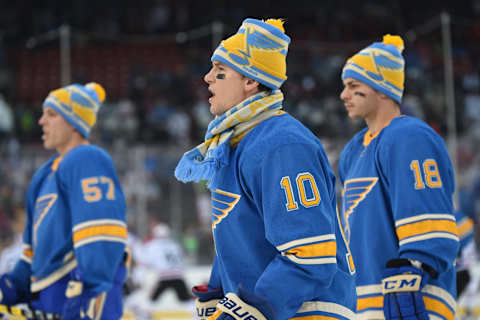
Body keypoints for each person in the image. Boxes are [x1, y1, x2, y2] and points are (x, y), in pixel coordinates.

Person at [175, 18, 356, 319]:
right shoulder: (232, 146)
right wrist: (219, 291)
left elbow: (310, 255)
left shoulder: (283, 145)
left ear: (250, 81)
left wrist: (253, 307)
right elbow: (237, 239)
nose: (207, 78)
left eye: (220, 72)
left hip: (308, 311)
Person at [338, 35, 459, 319]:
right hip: (365, 298)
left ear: (382, 88)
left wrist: (415, 265)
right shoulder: (352, 151)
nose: (344, 95)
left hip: (413, 295)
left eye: (353, 86)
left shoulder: (410, 137)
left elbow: (429, 216)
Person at [0, 83, 128, 319]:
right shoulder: (43, 175)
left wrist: (92, 290)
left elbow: (101, 232)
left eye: (51, 114)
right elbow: (32, 252)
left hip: (75, 292)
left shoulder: (86, 157)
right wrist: (11, 286)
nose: (41, 121)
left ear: (73, 121)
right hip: (49, 297)